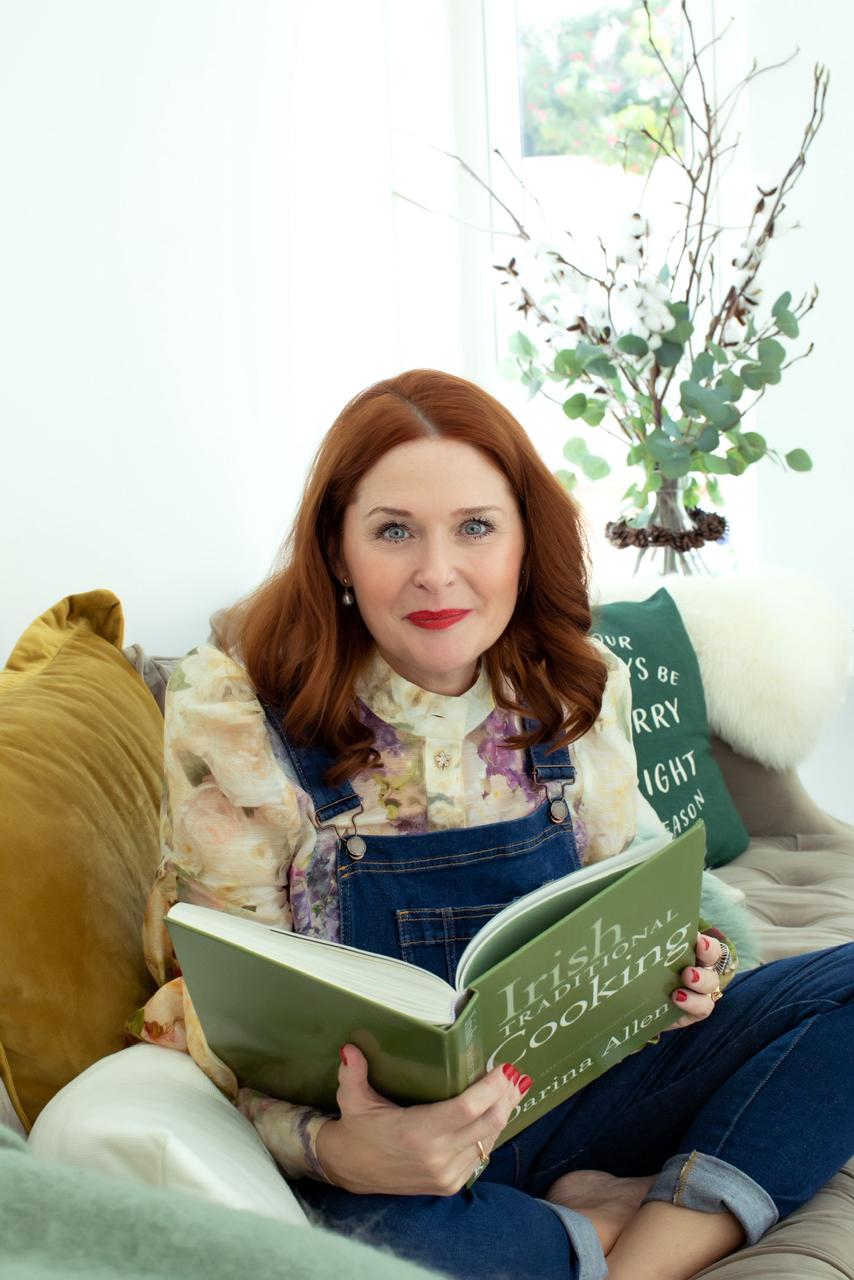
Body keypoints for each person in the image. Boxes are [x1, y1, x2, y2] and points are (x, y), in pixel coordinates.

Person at [131, 369, 854, 1280]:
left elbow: (623, 913)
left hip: (588, 1093)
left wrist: (681, 973)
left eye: (475, 526)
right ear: (338, 552)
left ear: (523, 541)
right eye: (394, 531)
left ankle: (639, 1249)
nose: (438, 573)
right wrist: (335, 1152)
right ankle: (617, 1216)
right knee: (388, 1255)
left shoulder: (579, 685)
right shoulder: (236, 721)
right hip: (403, 1163)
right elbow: (225, 1032)